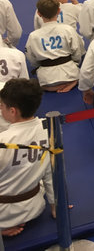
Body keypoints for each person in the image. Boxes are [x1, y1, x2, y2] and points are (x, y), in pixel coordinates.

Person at [0, 79, 54, 237]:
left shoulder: (3, 141)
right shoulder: (49, 129)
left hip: (3, 217)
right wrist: (56, 205)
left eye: (1, 106)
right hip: (34, 208)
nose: (0, 108)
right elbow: (51, 173)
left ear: (13, 111)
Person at [25, 0, 84, 92]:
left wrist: (38, 66)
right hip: (70, 73)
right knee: (77, 73)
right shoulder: (68, 30)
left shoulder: (33, 36)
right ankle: (72, 82)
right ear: (59, 11)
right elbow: (77, 52)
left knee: (38, 83)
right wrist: (75, 63)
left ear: (38, 13)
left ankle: (50, 87)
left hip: (46, 78)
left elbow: (31, 58)